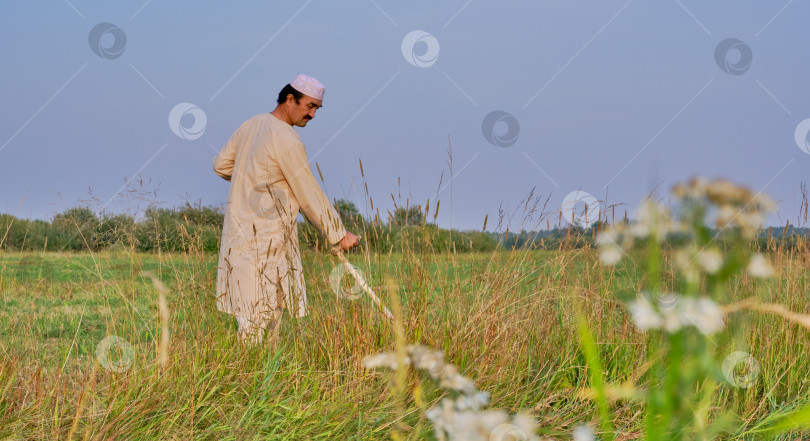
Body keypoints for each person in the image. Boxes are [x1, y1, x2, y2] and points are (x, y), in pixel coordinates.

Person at [213, 74, 359, 346]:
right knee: (260, 316)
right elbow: (308, 191)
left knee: (256, 313)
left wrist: (254, 180)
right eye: (310, 106)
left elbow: (221, 165)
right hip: (266, 239)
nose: (313, 115)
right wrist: (338, 233)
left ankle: (263, 378)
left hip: (238, 235)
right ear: (290, 100)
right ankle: (252, 378)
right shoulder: (287, 138)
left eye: (317, 108)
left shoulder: (250, 125)